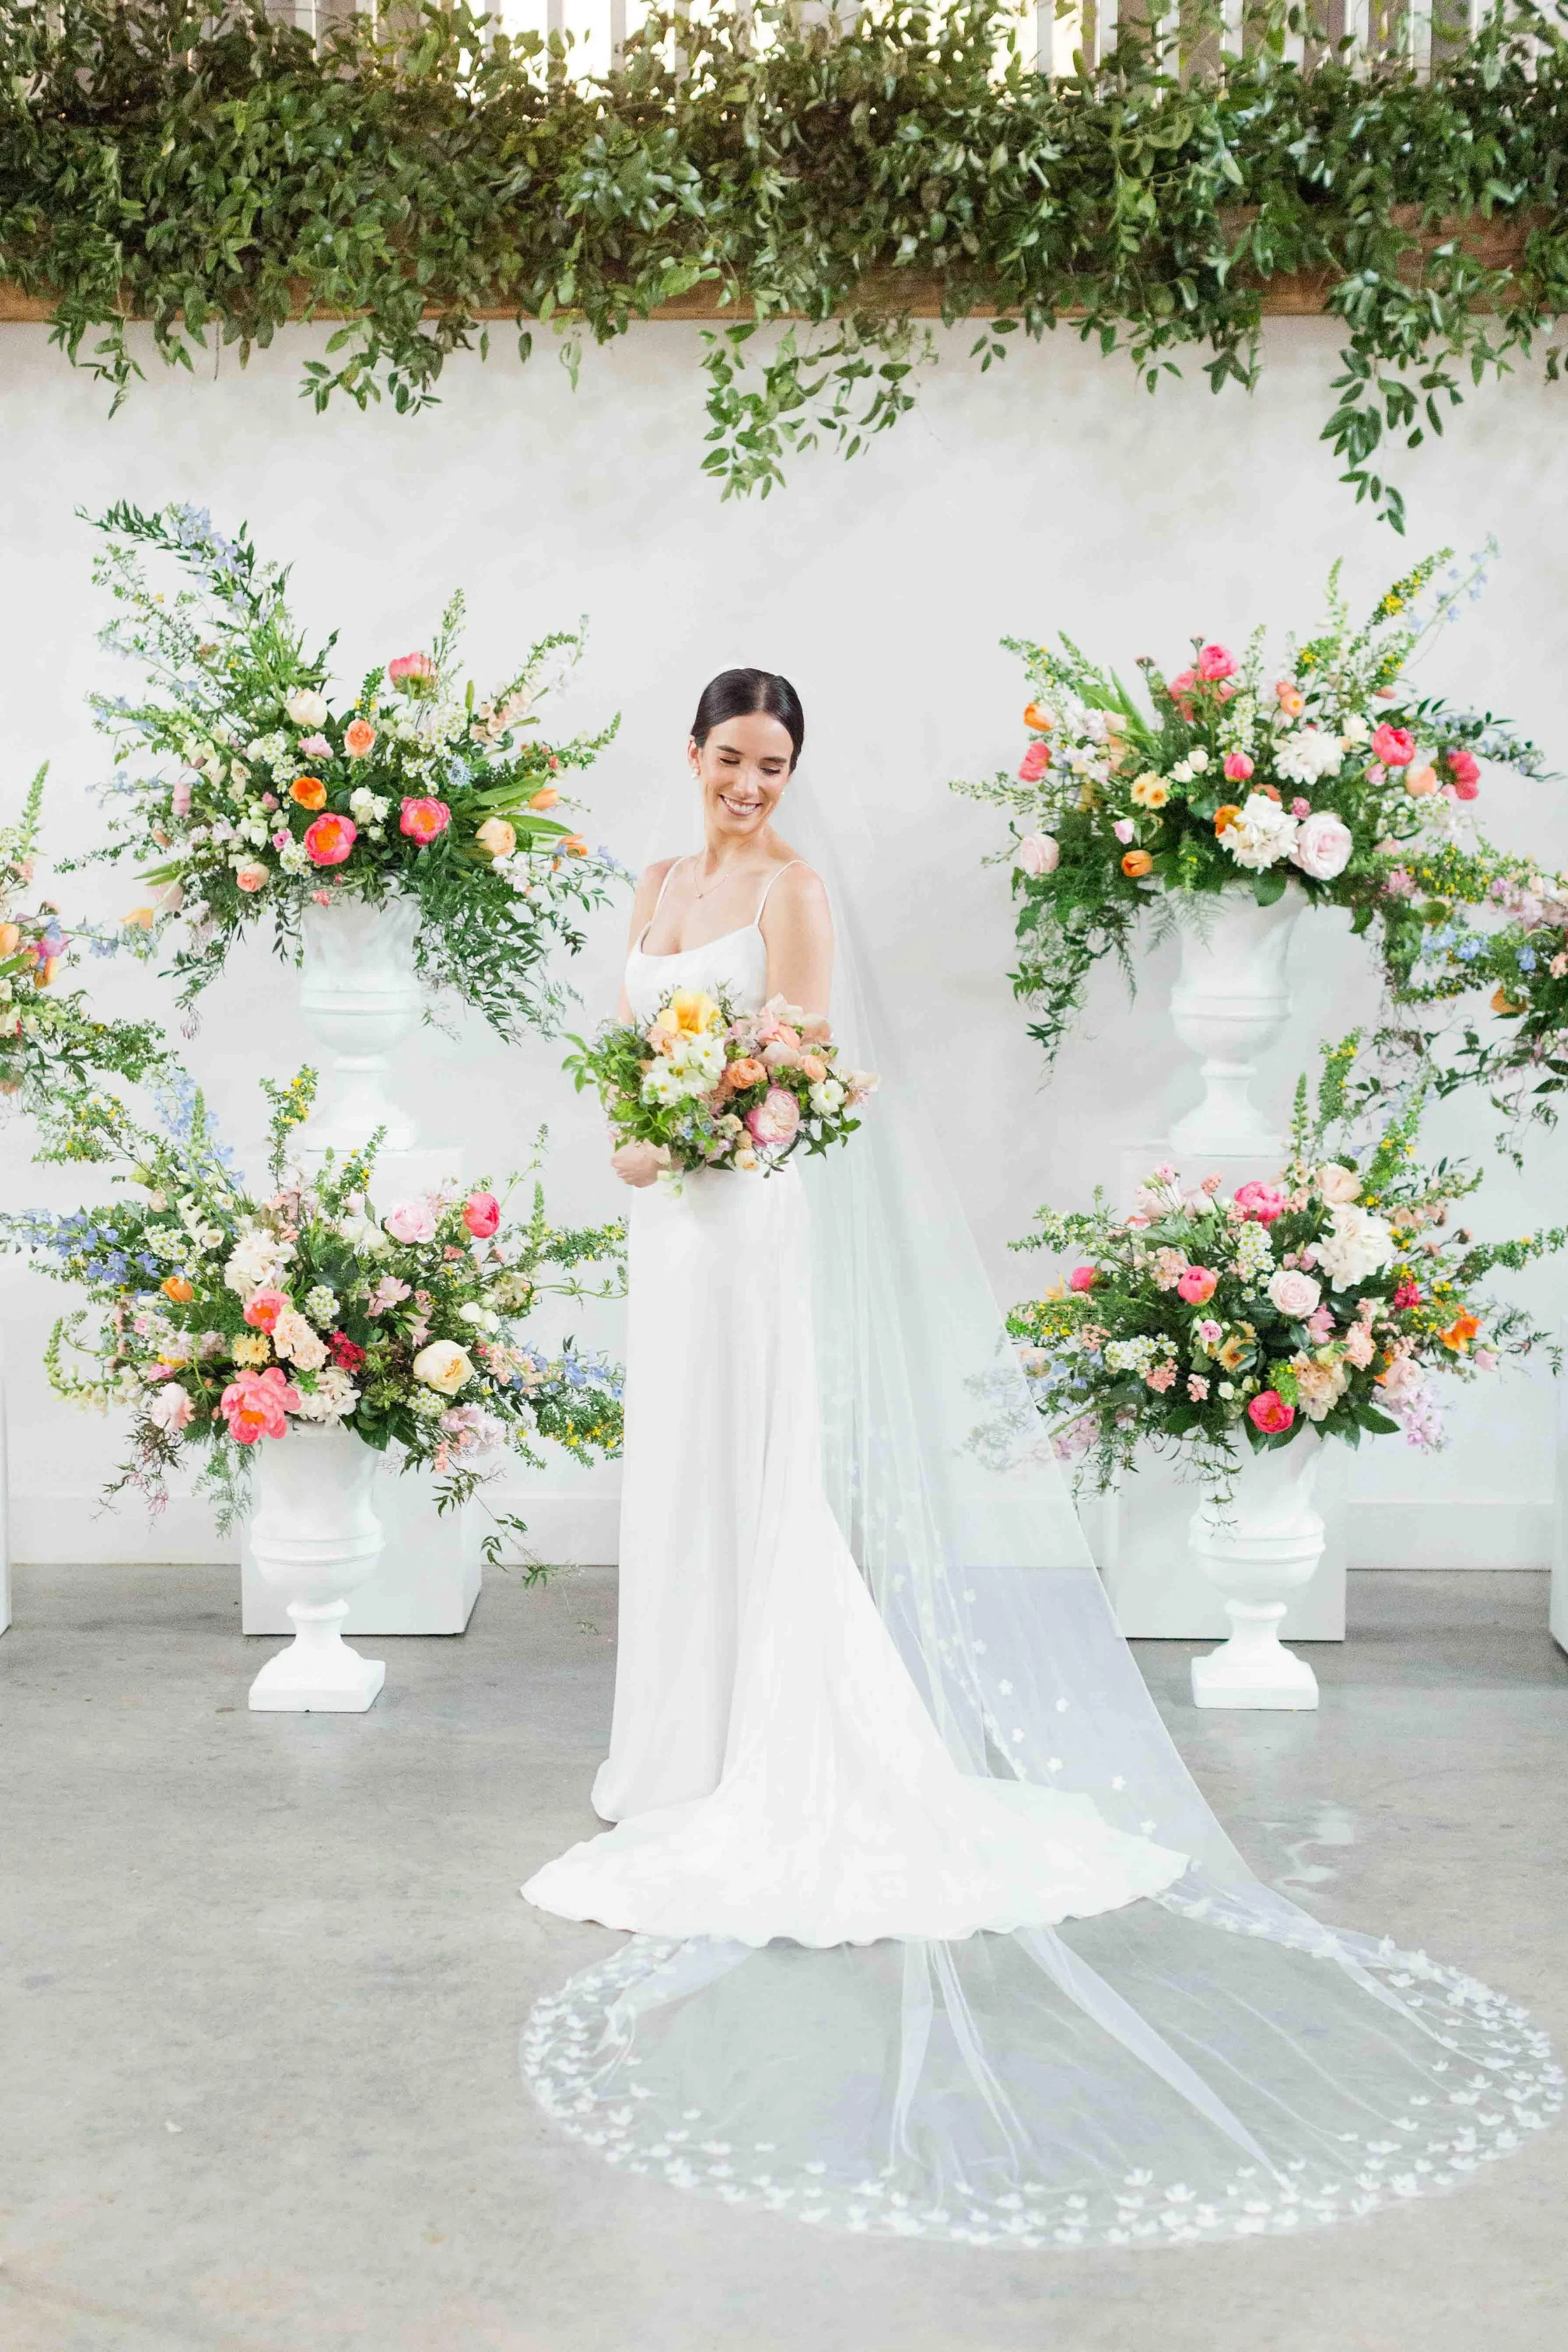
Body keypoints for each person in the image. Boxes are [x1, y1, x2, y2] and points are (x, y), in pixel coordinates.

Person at [519, 670, 1557, 2248]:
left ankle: (757, 1749)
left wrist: (701, 1132)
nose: (749, 783)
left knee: (754, 1468)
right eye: (730, 758)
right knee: (675, 1473)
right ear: (690, 756)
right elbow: (629, 1063)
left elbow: (797, 1084)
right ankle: (672, 1747)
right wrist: (640, 1140)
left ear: (795, 771)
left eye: (774, 762)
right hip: (665, 1227)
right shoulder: (656, 885)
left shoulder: (792, 893)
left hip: (748, 1217)